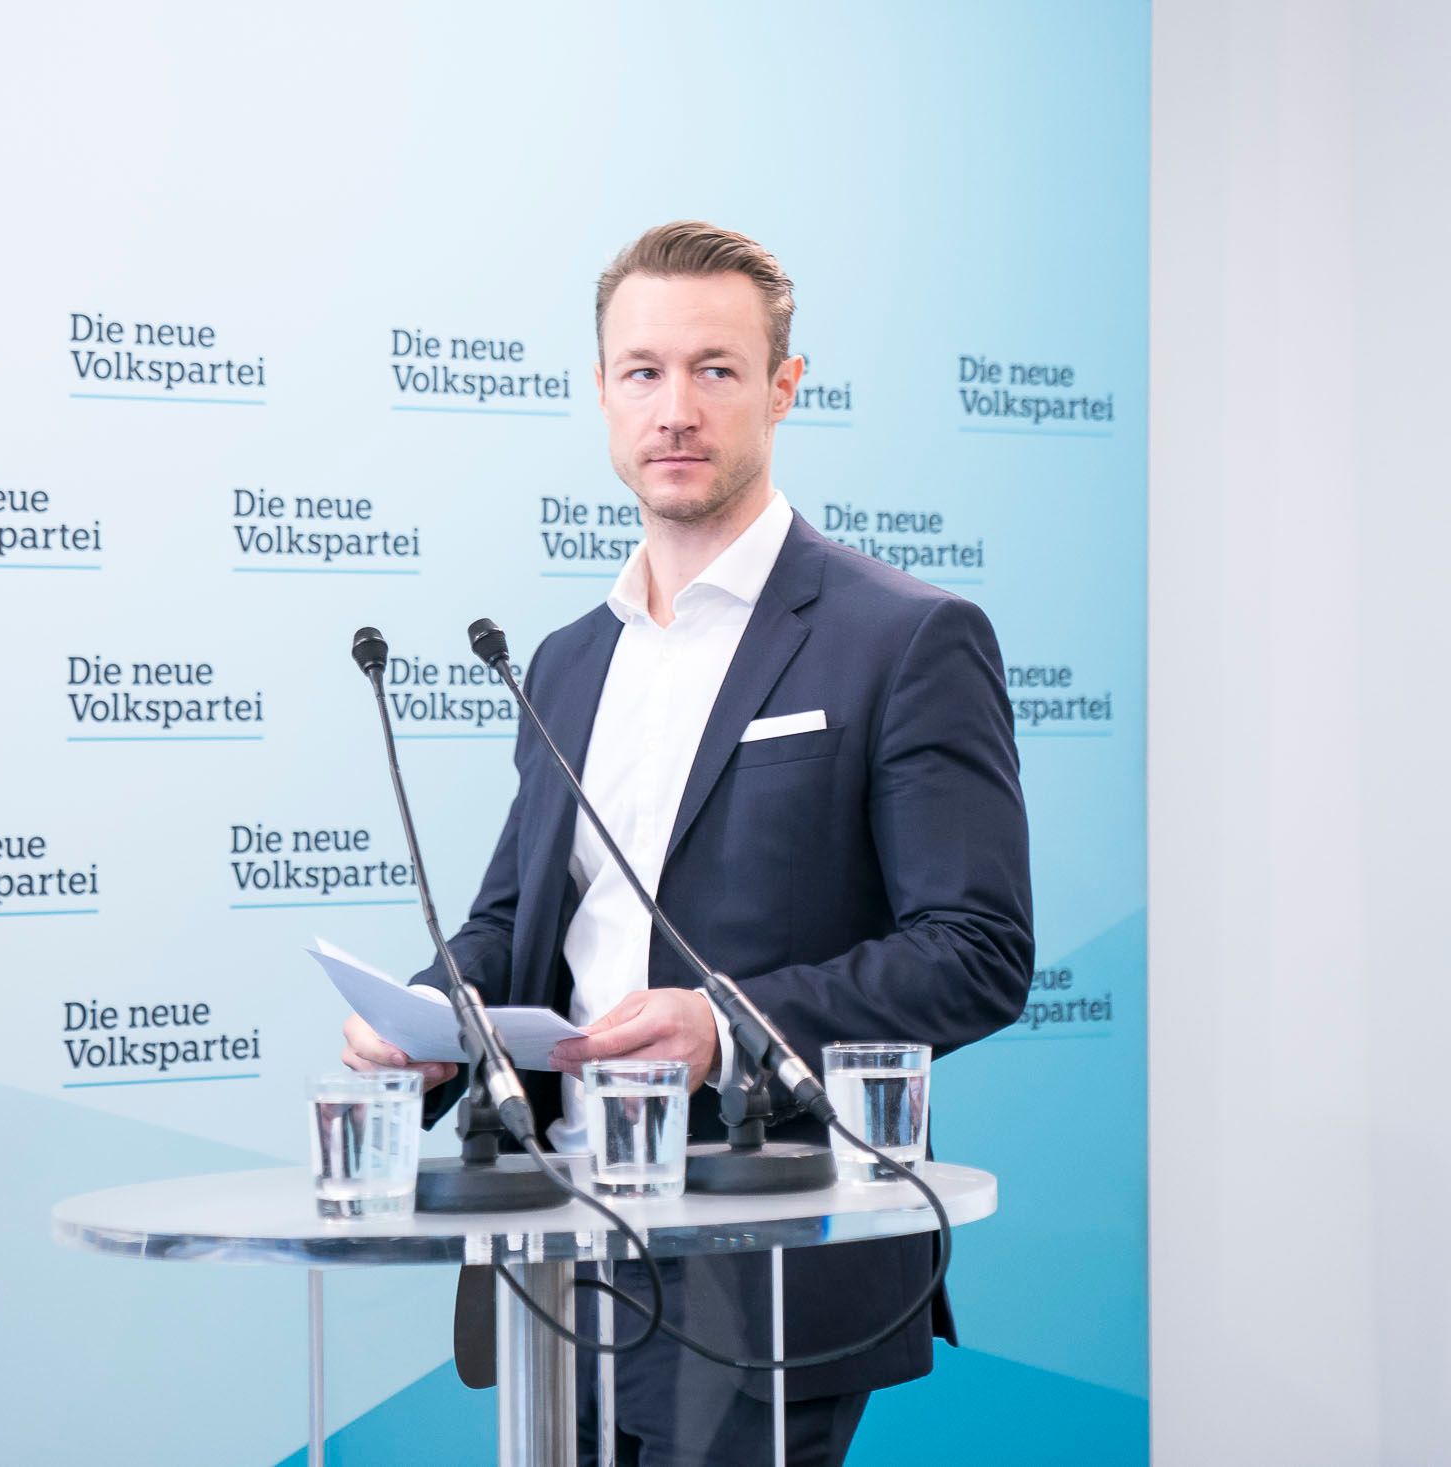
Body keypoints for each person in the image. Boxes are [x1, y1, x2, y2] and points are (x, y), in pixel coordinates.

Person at [341, 221, 1033, 1466]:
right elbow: (518, 923)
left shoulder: (905, 638)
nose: (675, 408)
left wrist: (722, 1026)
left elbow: (975, 951)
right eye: (642, 371)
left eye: (715, 369)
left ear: (782, 388)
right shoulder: (563, 658)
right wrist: (429, 1017)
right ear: (600, 392)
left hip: (760, 1237)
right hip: (556, 1232)